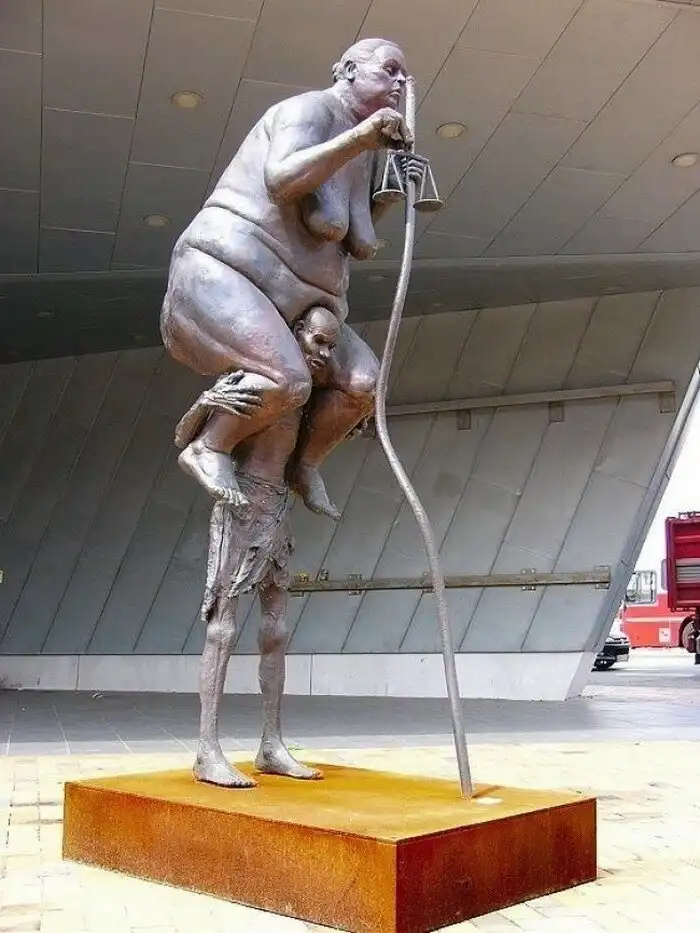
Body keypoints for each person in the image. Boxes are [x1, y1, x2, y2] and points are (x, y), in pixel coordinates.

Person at [160, 38, 413, 523]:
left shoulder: (364, 149)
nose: (400, 82)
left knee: (363, 384)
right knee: (287, 379)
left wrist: (389, 193)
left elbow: (356, 239)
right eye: (389, 69)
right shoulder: (307, 111)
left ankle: (305, 463)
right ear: (349, 71)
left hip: (305, 300)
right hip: (228, 271)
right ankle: (208, 445)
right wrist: (359, 140)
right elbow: (281, 180)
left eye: (403, 75)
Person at [194, 306, 341, 788]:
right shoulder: (264, 378)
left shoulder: (301, 394)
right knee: (223, 628)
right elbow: (192, 438)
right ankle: (207, 750)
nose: (323, 354)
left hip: (276, 506)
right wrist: (204, 404)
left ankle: (271, 744)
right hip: (239, 502)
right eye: (318, 341)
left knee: (276, 629)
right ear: (296, 333)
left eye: (331, 347)